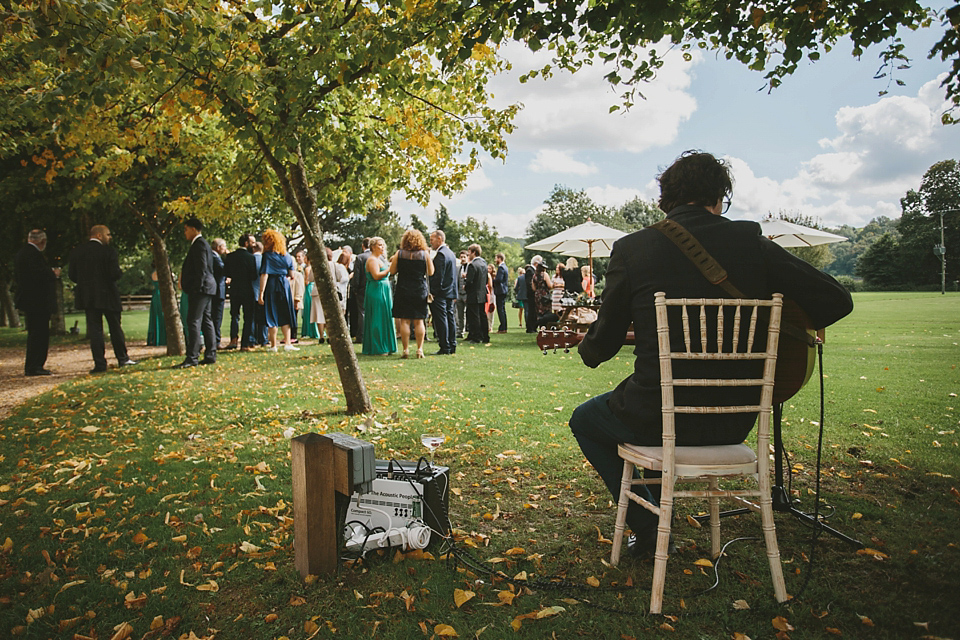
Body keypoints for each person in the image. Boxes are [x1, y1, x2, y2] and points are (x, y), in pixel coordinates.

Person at [569, 150, 854, 558]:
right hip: (735, 422)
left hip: (656, 419)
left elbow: (599, 349)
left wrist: (588, 343)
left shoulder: (633, 249)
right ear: (720, 198)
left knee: (586, 419)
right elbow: (836, 302)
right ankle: (654, 513)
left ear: (665, 200)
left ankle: (649, 527)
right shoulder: (752, 244)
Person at [69, 225, 137, 374]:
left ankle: (99, 364)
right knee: (115, 327)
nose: (110, 237)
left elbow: (72, 275)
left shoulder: (78, 252)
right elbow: (114, 274)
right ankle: (123, 358)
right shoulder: (108, 252)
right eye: (108, 234)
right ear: (99, 235)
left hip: (88, 296)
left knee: (95, 330)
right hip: (107, 295)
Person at [14, 229, 60, 376]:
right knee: (39, 334)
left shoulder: (22, 253)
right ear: (42, 241)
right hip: (37, 301)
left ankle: (33, 365)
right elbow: (38, 275)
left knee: (35, 333)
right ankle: (35, 366)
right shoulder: (33, 255)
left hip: (30, 300)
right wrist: (52, 274)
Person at [174, 218, 217, 368]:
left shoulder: (199, 245)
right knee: (206, 320)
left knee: (193, 321)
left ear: (193, 229)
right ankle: (210, 354)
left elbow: (201, 268)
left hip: (201, 288)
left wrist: (196, 288)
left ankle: (192, 357)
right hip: (207, 287)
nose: (185, 233)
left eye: (186, 229)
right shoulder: (202, 244)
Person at [389, 229, 434, 359]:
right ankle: (420, 349)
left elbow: (392, 271)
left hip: (403, 289)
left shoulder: (399, 254)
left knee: (404, 320)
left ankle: (405, 349)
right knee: (419, 321)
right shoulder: (424, 254)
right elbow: (431, 272)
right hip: (419, 289)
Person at [258, 229, 299, 352]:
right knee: (285, 314)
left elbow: (264, 274)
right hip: (284, 285)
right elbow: (292, 274)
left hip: (271, 285)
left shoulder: (267, 256)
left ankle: (273, 345)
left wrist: (261, 293)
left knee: (271, 314)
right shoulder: (287, 256)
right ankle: (287, 343)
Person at [222, 234, 259, 351]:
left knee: (234, 316)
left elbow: (227, 273)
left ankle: (233, 339)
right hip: (247, 289)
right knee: (248, 317)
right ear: (246, 243)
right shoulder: (250, 257)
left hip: (235, 289)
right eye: (251, 243)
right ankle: (245, 343)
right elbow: (253, 275)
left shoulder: (231, 256)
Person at [362, 237, 397, 355]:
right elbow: (376, 275)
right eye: (380, 245)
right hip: (376, 290)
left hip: (384, 289)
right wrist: (389, 269)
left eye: (383, 245)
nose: (382, 247)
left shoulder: (380, 259)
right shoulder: (372, 260)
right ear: (373, 247)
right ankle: (378, 347)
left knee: (386, 317)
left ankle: (387, 345)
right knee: (377, 318)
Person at [429, 230, 458, 355]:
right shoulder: (450, 253)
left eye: (432, 240)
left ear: (439, 239)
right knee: (449, 318)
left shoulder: (441, 255)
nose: (431, 243)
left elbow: (438, 276)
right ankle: (452, 344)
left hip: (441, 293)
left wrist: (433, 292)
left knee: (441, 319)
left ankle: (445, 346)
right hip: (449, 292)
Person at [464, 243, 489, 344]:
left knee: (474, 317)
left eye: (469, 252)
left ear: (474, 252)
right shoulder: (484, 264)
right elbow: (486, 279)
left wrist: (465, 287)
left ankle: (476, 337)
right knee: (482, 316)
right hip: (482, 293)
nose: (468, 254)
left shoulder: (472, 265)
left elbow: (470, 281)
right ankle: (485, 336)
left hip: (473, 294)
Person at [349, 238, 371, 343]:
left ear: (363, 246)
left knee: (362, 312)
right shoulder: (378, 256)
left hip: (362, 288)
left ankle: (361, 336)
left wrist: (355, 288)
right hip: (374, 286)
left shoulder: (360, 257)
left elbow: (357, 275)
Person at [211, 238, 228, 348]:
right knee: (216, 316)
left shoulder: (214, 257)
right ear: (218, 247)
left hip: (217, 290)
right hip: (217, 291)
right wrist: (229, 257)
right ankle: (216, 341)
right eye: (224, 246)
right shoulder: (215, 258)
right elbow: (224, 269)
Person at [147, 269, 166, 347]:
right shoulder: (156, 273)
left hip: (162, 295)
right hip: (159, 296)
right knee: (159, 316)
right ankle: (159, 339)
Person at [493, 253, 509, 334]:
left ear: (499, 258)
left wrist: (492, 280)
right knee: (502, 309)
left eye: (496, 258)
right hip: (503, 290)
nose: (495, 260)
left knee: (500, 309)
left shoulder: (501, 268)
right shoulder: (505, 267)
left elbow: (499, 279)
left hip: (500, 290)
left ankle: (502, 327)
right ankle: (503, 326)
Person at [456, 251, 468, 338]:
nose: (463, 259)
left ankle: (469, 330)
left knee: (468, 313)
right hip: (459, 294)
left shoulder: (470, 267)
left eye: (464, 257)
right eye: (461, 257)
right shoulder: (458, 268)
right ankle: (460, 331)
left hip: (467, 294)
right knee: (459, 314)